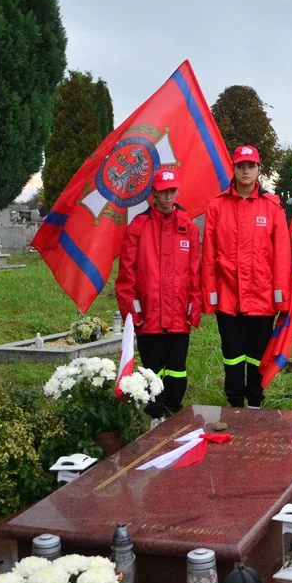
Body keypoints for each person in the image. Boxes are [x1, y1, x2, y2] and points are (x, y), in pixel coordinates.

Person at [203, 145, 291, 408]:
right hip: (228, 296)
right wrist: (211, 296)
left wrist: (280, 298)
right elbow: (208, 255)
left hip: (261, 296)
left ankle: (254, 402)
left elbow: (282, 256)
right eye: (241, 166)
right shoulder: (217, 206)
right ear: (234, 168)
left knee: (256, 355)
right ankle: (234, 404)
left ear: (258, 170)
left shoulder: (272, 208)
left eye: (250, 166)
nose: (245, 171)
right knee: (232, 353)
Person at [115, 169, 202, 419]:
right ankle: (154, 415)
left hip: (177, 317)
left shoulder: (188, 227)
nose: (168, 196)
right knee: (152, 370)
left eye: (172, 191)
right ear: (153, 193)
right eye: (163, 191)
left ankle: (174, 411)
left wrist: (193, 309)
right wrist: (134, 314)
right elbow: (126, 276)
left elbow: (195, 272)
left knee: (177, 369)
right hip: (149, 316)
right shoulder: (138, 227)